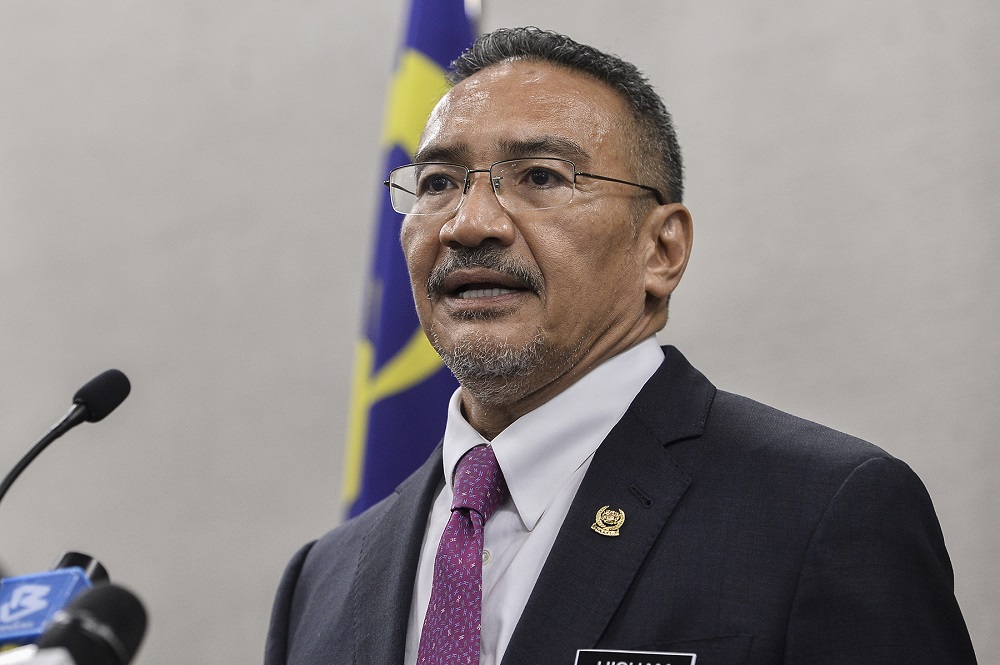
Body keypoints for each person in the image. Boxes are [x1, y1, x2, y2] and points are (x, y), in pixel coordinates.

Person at [265, 27, 976, 665]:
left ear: (661, 248)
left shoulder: (823, 512)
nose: (469, 223)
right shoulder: (324, 577)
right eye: (438, 182)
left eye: (541, 176)